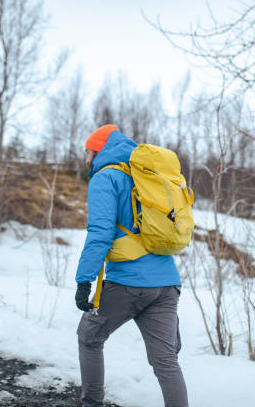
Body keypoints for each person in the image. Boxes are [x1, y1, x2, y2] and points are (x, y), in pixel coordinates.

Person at [75, 124, 188, 407]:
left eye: (87, 151)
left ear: (97, 150)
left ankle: (91, 403)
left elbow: (100, 232)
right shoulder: (146, 176)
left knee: (89, 336)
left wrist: (84, 280)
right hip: (166, 283)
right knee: (166, 361)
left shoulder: (106, 177)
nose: (86, 157)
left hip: (129, 282)